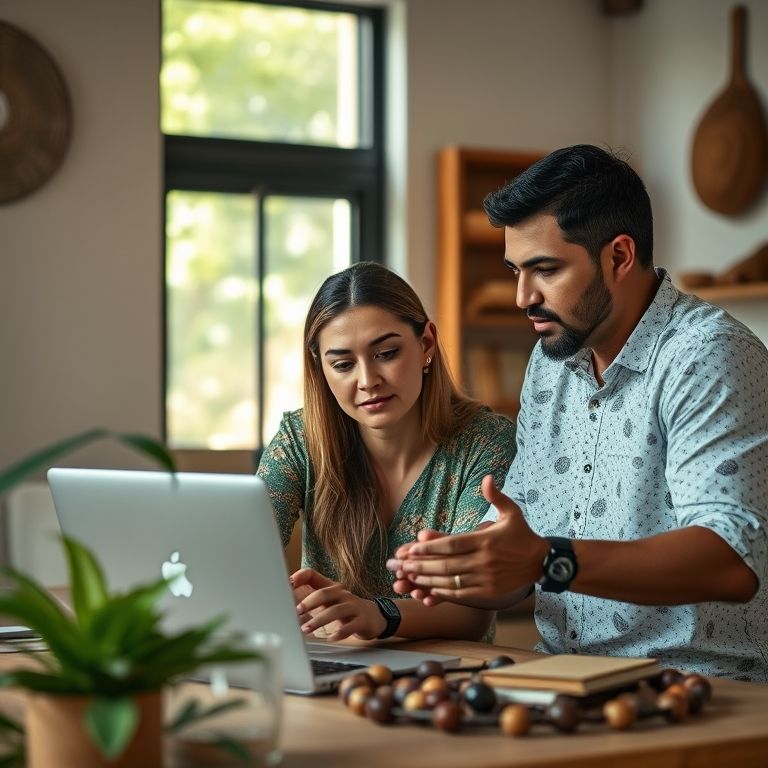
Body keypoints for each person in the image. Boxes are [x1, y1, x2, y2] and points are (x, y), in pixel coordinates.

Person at [388, 144, 768, 681]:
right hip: (563, 680)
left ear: (618, 256)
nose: (523, 296)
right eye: (515, 270)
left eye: (544, 270)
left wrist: (546, 559)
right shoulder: (553, 360)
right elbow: (521, 554)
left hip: (698, 689)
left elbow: (733, 561)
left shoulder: (706, 355)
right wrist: (461, 567)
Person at [256, 261, 516, 643]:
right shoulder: (300, 440)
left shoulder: (485, 443)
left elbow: (471, 612)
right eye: (343, 364)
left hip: (445, 676)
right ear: (321, 369)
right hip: (335, 671)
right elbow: (243, 554)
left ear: (426, 344)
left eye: (386, 354)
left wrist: (378, 615)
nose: (367, 381)